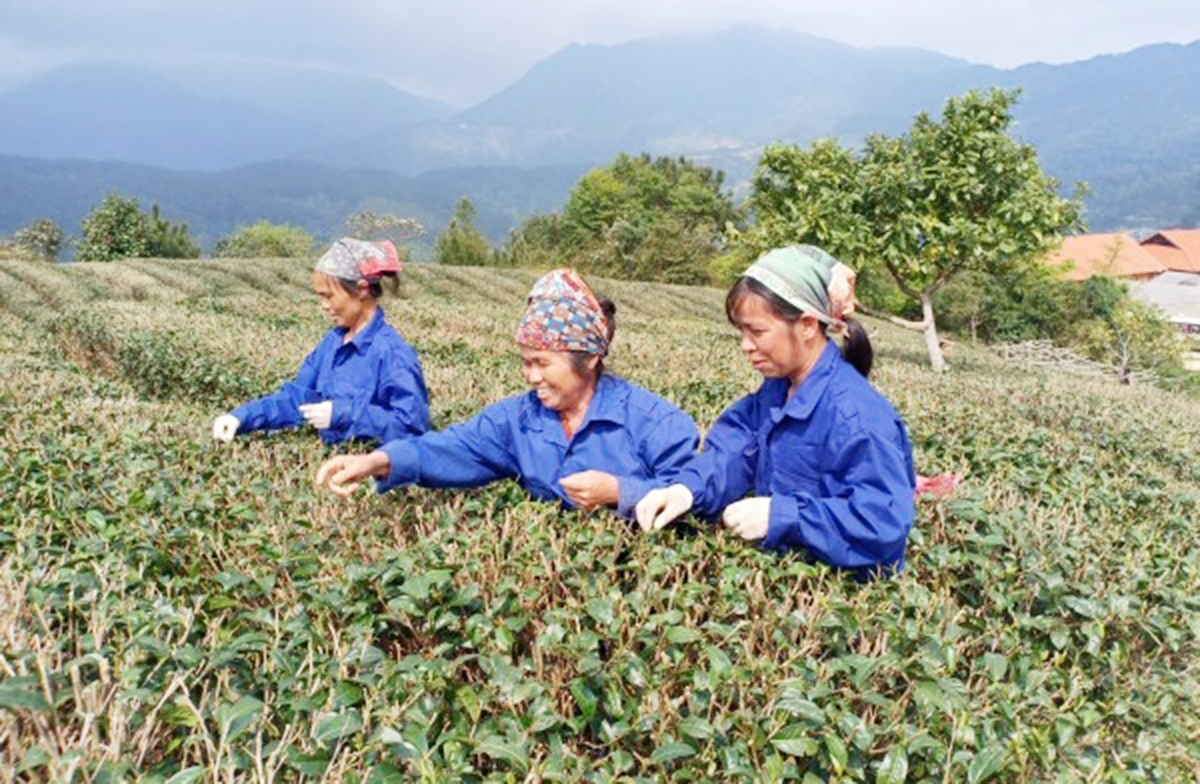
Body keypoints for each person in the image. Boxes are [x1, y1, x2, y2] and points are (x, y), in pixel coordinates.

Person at [314, 268, 699, 519]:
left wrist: (621, 491)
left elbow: (698, 493)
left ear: (591, 358)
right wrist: (375, 461)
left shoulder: (655, 422)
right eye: (525, 361)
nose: (530, 376)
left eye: (543, 363)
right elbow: (447, 448)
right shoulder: (516, 420)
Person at [635, 245, 916, 578]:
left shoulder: (857, 418)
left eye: (757, 331)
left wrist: (781, 515)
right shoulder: (777, 389)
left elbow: (882, 523)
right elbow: (737, 450)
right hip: (786, 578)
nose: (746, 345)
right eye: (741, 331)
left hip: (839, 602)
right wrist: (685, 490)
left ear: (808, 325)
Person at [211, 238, 430, 445]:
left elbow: (412, 427)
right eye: (320, 297)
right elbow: (298, 399)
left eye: (329, 296)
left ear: (361, 289)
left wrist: (344, 414)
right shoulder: (332, 343)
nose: (324, 305)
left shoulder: (391, 353)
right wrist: (242, 417)